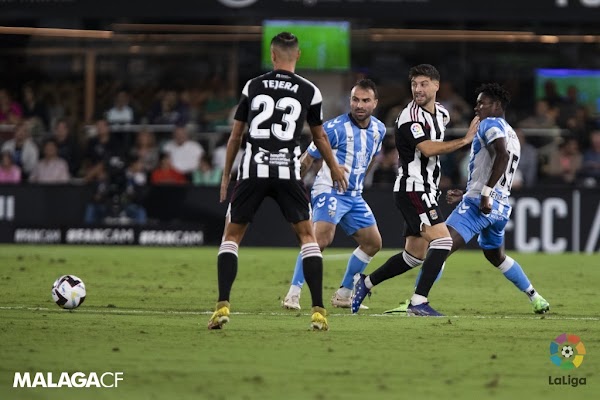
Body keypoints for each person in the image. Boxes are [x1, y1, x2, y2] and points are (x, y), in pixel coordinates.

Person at [208, 32, 348, 331]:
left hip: (253, 169)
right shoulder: (310, 90)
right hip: (288, 169)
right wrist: (334, 168)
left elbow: (236, 135)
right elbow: (319, 136)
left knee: (231, 238)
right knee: (308, 239)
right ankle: (319, 312)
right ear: (297, 55)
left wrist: (225, 175)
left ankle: (222, 307)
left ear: (273, 56)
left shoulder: (253, 85)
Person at [384, 83, 550, 315]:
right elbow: (494, 164)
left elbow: (500, 155)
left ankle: (416, 301)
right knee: (497, 256)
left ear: (497, 106)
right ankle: (535, 297)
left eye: (482, 103)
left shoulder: (489, 124)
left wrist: (484, 194)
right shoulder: (511, 132)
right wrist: (470, 191)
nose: (476, 107)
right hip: (501, 207)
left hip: (481, 205)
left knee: (440, 245)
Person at [351, 64, 479, 316]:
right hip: (413, 188)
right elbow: (429, 149)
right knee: (443, 241)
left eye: (423, 84)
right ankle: (418, 302)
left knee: (414, 255)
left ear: (436, 85)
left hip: (426, 189)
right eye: (414, 85)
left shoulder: (441, 113)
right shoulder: (408, 117)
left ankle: (364, 283)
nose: (417, 89)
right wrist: (465, 140)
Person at [281, 79, 386, 311]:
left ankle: (344, 294)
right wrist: (292, 186)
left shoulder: (379, 129)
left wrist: (357, 182)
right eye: (355, 99)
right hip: (328, 190)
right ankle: (293, 293)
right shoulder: (333, 128)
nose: (359, 105)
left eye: (365, 100)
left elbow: (368, 160)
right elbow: (307, 160)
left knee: (373, 243)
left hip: (354, 196)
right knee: (321, 240)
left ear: (375, 103)